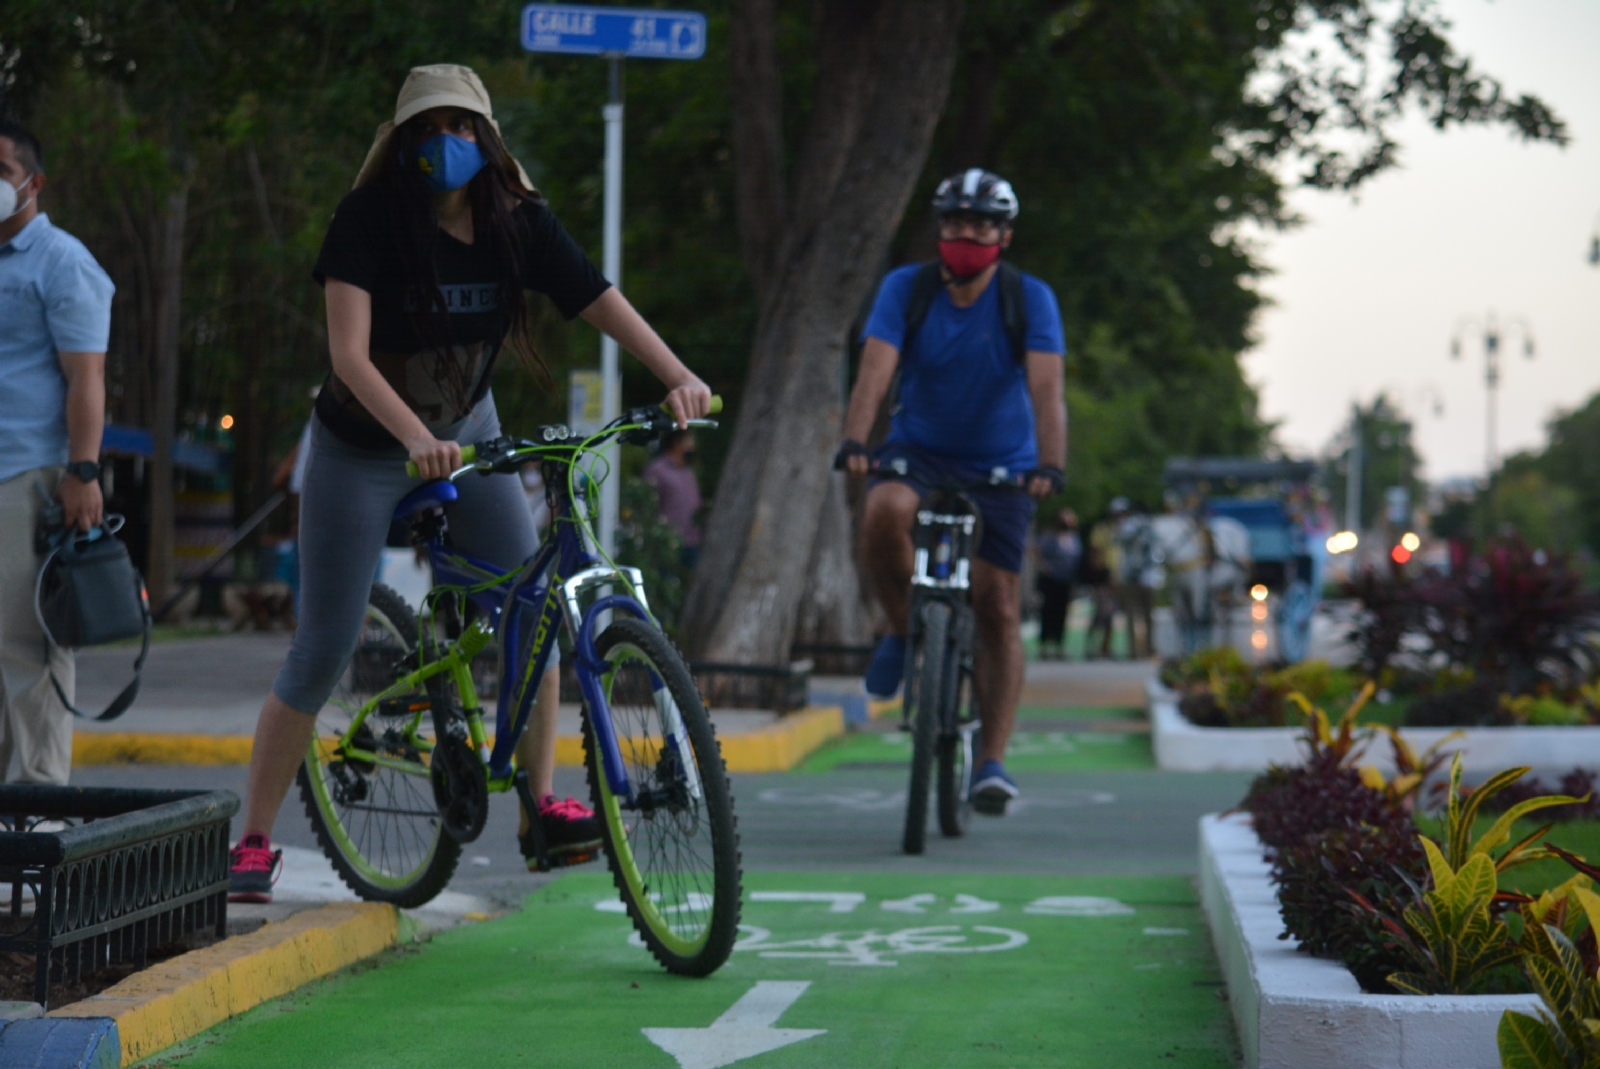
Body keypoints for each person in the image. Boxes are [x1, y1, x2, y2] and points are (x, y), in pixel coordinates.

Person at [228, 65, 711, 901]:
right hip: (363, 445)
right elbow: (347, 353)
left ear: (486, 140)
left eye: (460, 126)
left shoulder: (517, 223)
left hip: (466, 434)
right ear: (403, 143)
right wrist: (414, 436)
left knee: (535, 607)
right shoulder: (368, 220)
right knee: (324, 645)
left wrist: (676, 374)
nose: (444, 142)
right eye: (426, 128)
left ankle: (542, 805)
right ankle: (254, 839)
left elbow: (597, 297)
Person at [837, 169, 1066, 816]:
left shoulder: (1030, 299)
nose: (967, 234)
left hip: (1004, 463)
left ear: (1005, 235)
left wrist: (1051, 464)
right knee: (882, 509)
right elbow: (875, 369)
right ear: (941, 229)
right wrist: (858, 441)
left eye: (983, 225)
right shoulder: (905, 289)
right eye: (956, 222)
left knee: (997, 603)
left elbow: (1048, 390)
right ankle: (906, 627)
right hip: (920, 451)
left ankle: (991, 761)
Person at [0, 121, 114, 785]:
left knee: (29, 651)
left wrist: (83, 471)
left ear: (33, 183)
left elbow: (87, 376)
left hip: (31, 475)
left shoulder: (63, 261)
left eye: (2, 169)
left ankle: (39, 817)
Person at [643, 429, 702, 568]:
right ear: (677, 443)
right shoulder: (657, 470)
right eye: (689, 440)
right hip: (667, 542)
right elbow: (647, 505)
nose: (692, 444)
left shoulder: (687, 471)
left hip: (691, 540)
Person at [1033, 508, 1080, 660]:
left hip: (1066, 580)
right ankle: (1044, 645)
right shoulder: (1049, 536)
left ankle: (1059, 645)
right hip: (1051, 580)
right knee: (1048, 612)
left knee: (1062, 613)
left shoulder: (1073, 538)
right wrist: (1044, 567)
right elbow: (1036, 550)